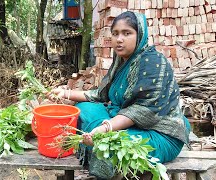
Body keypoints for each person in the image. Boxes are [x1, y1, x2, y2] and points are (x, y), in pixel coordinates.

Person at [47, 11, 190, 179]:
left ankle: (99, 148)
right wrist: (65, 93)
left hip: (159, 132)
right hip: (126, 121)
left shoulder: (153, 63)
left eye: (127, 33)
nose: (119, 39)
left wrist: (104, 129)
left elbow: (142, 110)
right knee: (83, 110)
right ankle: (96, 138)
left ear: (140, 35)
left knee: (105, 146)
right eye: (115, 34)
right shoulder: (121, 61)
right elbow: (100, 95)